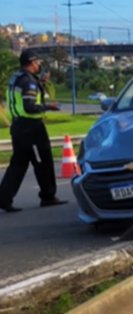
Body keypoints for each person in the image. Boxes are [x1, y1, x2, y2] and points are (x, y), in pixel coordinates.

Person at [0, 50, 67, 212]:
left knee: (18, 164)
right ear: (31, 62)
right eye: (37, 62)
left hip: (18, 127)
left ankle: (4, 199)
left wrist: (41, 83)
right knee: (43, 162)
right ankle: (48, 196)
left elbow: (24, 99)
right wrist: (48, 106)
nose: (39, 65)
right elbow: (29, 107)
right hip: (31, 129)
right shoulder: (29, 82)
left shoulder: (16, 78)